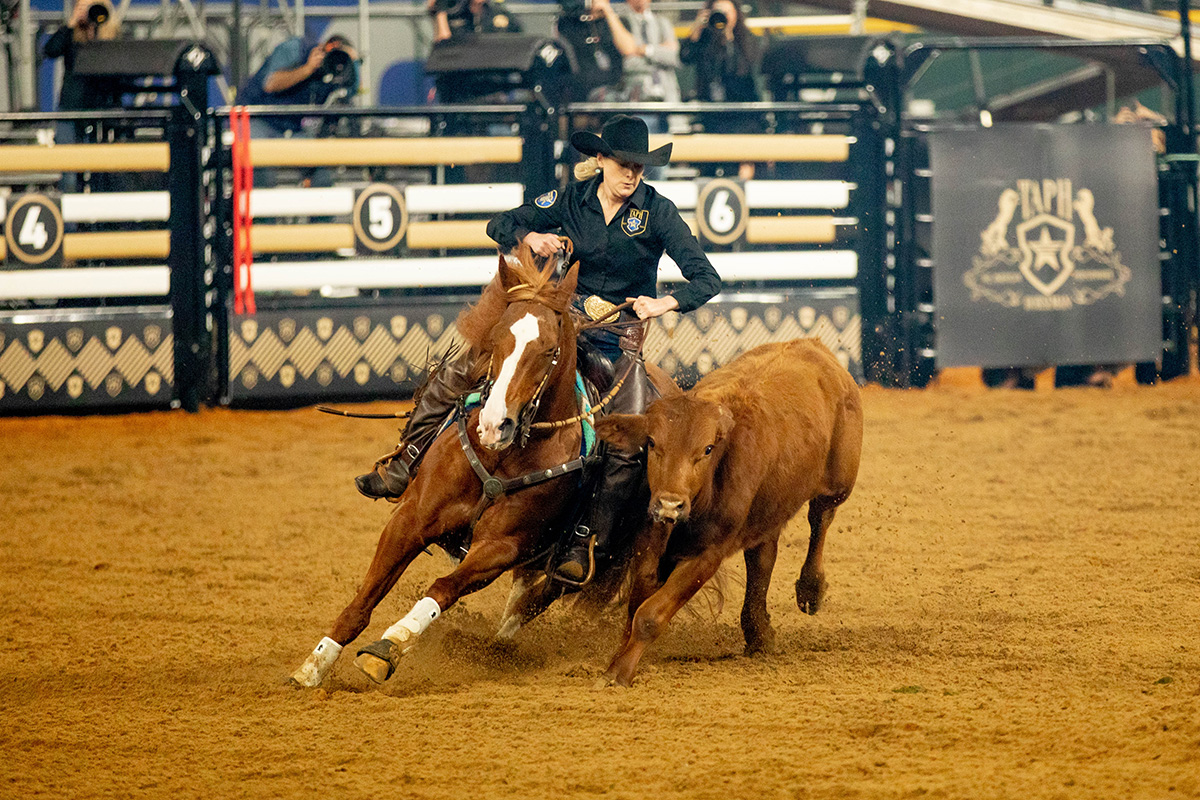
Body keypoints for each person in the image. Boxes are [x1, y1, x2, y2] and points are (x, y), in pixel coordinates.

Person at [356, 115, 721, 587]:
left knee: (627, 446)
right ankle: (406, 459)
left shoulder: (660, 213)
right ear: (601, 160)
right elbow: (501, 223)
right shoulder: (572, 199)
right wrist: (528, 237)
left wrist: (663, 302)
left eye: (639, 167)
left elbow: (707, 278)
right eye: (623, 164)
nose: (631, 174)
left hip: (618, 342)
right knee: (461, 369)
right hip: (558, 327)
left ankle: (583, 540)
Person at [680, 0, 762, 179]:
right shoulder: (705, 41)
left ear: (736, 13)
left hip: (741, 116)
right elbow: (685, 55)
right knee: (710, 163)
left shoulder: (746, 40)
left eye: (727, 10)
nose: (723, 15)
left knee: (742, 162)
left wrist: (728, 37)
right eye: (719, 11)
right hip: (712, 115)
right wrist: (698, 25)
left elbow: (746, 74)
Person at [239, 34, 360, 138]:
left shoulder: (335, 74)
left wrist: (353, 63)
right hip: (258, 117)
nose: (336, 60)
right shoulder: (295, 48)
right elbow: (270, 84)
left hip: (295, 128)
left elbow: (351, 91)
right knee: (255, 159)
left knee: (318, 159)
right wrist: (308, 68)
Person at [43, 0, 121, 135]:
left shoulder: (114, 37)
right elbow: (51, 50)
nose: (87, 12)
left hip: (103, 104)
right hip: (72, 104)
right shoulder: (70, 35)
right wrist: (71, 24)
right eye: (82, 7)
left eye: (90, 7)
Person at [429, 0, 521, 43]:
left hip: (492, 74)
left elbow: (518, 42)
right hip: (460, 74)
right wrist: (440, 12)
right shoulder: (454, 14)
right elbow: (443, 41)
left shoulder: (501, 14)